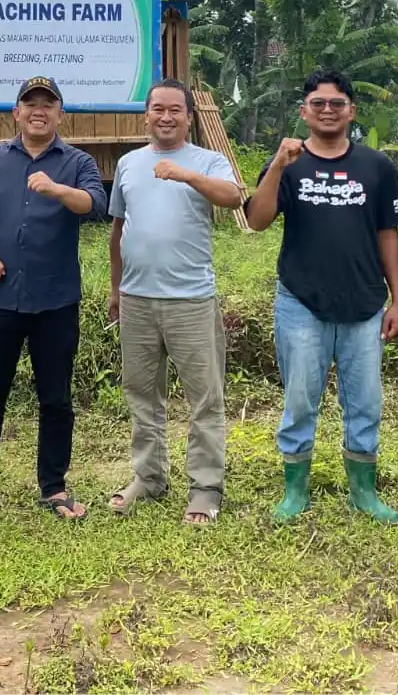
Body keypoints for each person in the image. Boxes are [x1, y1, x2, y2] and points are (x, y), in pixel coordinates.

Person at [244, 68, 398, 526]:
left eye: (337, 103)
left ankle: (364, 492)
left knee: (366, 402)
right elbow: (256, 221)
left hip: (364, 303)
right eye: (318, 104)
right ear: (304, 111)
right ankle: (295, 491)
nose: (328, 110)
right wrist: (277, 164)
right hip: (301, 302)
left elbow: (387, 235)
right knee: (300, 400)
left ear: (351, 111)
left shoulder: (376, 167)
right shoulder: (289, 163)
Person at [0, 76, 107, 525]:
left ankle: (53, 487)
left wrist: (57, 189)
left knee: (55, 398)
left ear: (61, 115)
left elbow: (95, 204)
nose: (38, 110)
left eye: (48, 104)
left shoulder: (75, 161)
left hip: (55, 299)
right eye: (29, 103)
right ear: (15, 113)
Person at [107, 78, 243, 524]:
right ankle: (148, 477)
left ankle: (205, 488)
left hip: (191, 300)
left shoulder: (209, 161)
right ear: (145, 115)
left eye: (175, 110)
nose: (166, 117)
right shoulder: (128, 164)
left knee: (205, 398)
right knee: (142, 394)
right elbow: (117, 231)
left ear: (189, 116)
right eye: (158, 110)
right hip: (137, 300)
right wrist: (115, 289)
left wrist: (185, 174)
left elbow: (233, 197)